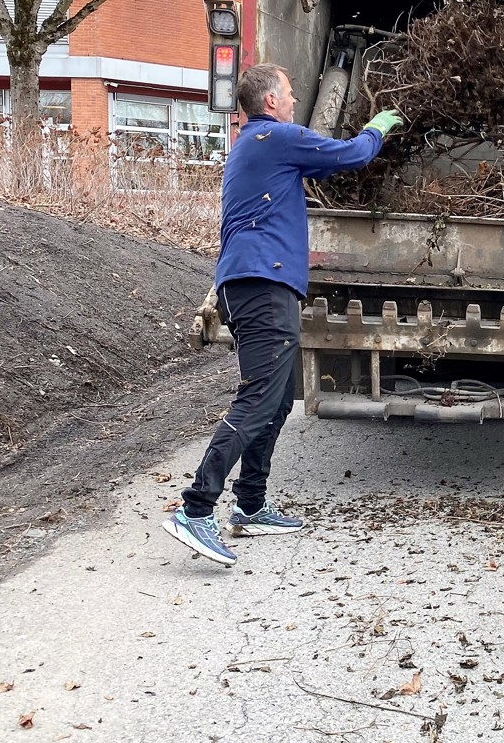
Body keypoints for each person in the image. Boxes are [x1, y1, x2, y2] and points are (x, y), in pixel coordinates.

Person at [163, 63, 403, 566]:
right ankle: (196, 508)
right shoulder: (274, 137)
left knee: (274, 402)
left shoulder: (258, 146)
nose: (295, 100)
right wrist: (377, 128)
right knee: (258, 399)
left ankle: (250, 504)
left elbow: (322, 167)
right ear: (270, 101)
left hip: (254, 283)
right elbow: (353, 155)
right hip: (261, 284)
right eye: (290, 93)